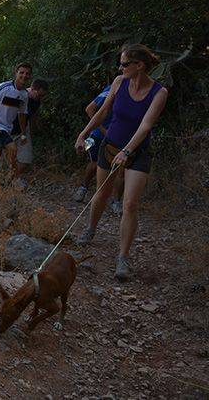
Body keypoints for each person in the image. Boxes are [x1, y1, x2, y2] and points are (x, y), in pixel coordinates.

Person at [74, 44, 168, 281]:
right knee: (102, 194)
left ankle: (123, 258)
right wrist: (83, 134)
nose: (121, 67)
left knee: (130, 204)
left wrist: (127, 151)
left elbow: (146, 125)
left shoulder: (159, 93)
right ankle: (91, 229)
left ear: (140, 66)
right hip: (110, 145)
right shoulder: (119, 82)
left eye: (125, 64)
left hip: (137, 152)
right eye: (121, 63)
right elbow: (103, 111)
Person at [72, 84, 124, 213]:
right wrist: (103, 130)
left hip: (122, 136)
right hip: (100, 135)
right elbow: (90, 109)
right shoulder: (114, 87)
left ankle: (116, 201)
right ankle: (84, 187)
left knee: (121, 168)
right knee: (95, 163)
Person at [0, 63, 32, 180]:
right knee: (10, 149)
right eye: (21, 72)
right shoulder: (4, 87)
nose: (24, 75)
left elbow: (22, 114)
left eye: (27, 73)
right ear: (16, 73)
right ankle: (9, 176)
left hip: (6, 127)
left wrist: (23, 133)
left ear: (30, 76)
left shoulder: (24, 94)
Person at [11, 79, 49, 184]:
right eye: (39, 95)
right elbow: (5, 111)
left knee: (26, 159)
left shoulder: (37, 100)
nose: (41, 98)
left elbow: (33, 116)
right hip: (8, 129)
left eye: (43, 96)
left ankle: (12, 179)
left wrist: (31, 131)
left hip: (23, 130)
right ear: (32, 89)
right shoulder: (18, 96)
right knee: (6, 157)